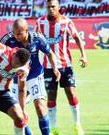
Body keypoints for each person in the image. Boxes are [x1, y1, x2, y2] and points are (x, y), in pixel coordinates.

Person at [0, 18, 61, 135]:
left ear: (26, 30)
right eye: (14, 33)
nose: (16, 36)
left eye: (19, 34)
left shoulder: (37, 38)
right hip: (17, 77)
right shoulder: (8, 39)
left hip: (35, 75)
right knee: (18, 112)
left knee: (40, 107)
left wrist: (55, 68)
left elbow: (50, 53)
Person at [36, 0, 88, 134]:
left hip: (65, 66)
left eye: (53, 7)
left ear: (59, 7)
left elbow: (77, 38)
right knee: (51, 97)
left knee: (71, 93)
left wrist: (83, 55)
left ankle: (77, 125)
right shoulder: (40, 22)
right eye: (48, 7)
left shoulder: (67, 22)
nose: (51, 9)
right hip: (47, 67)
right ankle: (53, 128)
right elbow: (35, 41)